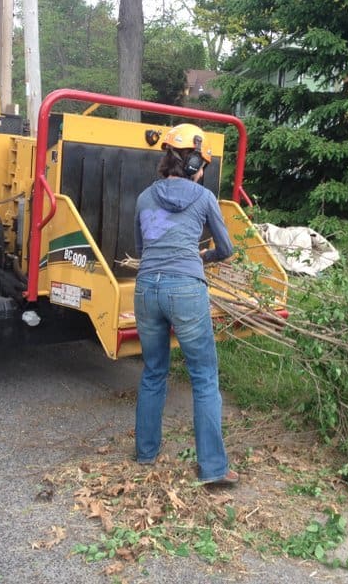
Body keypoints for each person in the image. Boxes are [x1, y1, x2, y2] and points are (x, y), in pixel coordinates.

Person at [133, 123, 238, 485]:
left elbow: (143, 249)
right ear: (194, 162)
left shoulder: (145, 197)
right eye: (203, 163)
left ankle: (145, 455)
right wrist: (202, 257)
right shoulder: (204, 198)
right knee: (204, 378)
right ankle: (212, 470)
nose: (204, 170)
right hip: (186, 289)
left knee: (153, 373)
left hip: (147, 288)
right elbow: (226, 249)